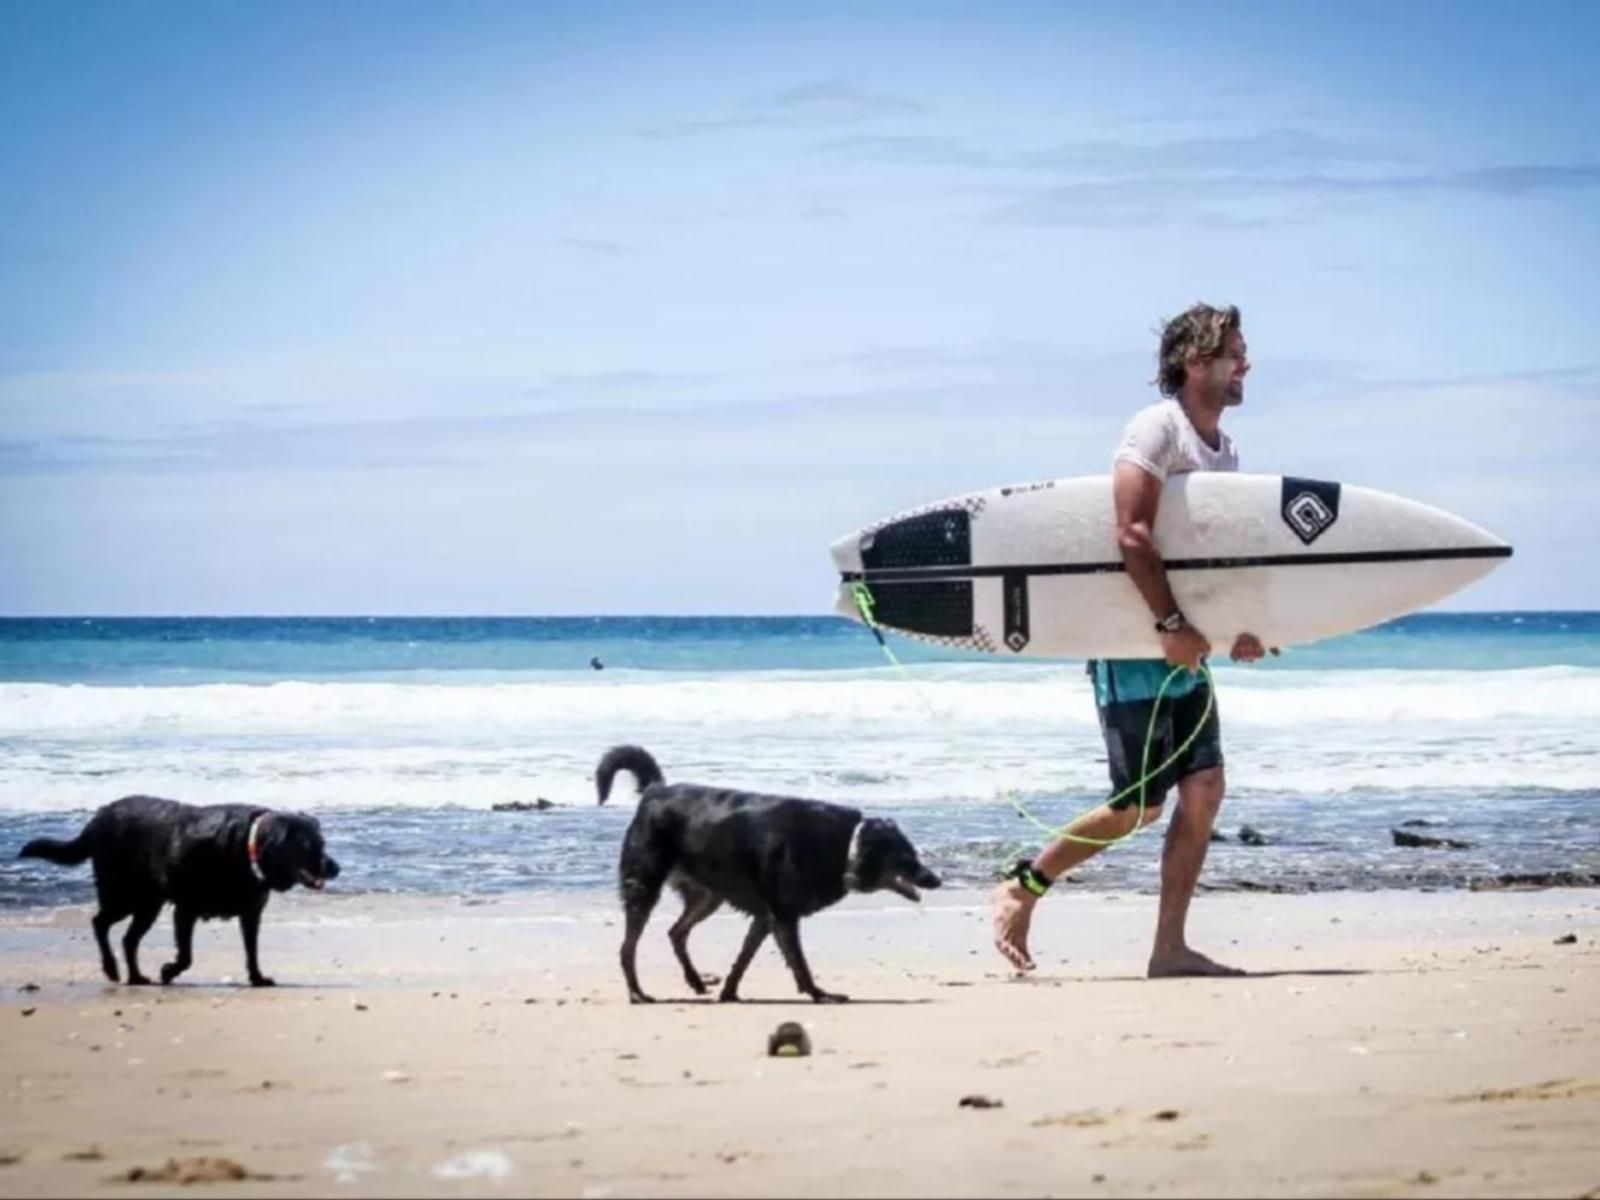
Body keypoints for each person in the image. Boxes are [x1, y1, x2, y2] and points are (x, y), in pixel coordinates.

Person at [989, 302, 1273, 978]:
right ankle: (1021, 887)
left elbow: (1211, 563)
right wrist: (1171, 626)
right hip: (1133, 641)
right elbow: (1132, 535)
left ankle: (1168, 948)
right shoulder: (1156, 429)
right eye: (1235, 351)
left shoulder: (1223, 452)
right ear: (1195, 362)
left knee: (1204, 790)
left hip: (1185, 645)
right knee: (1139, 806)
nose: (1246, 364)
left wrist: (1242, 629)